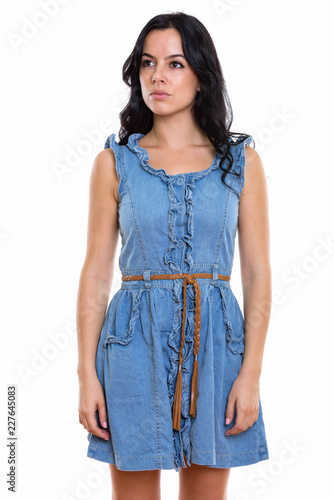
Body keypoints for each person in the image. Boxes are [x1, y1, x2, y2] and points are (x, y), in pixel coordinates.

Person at [76, 11, 271, 500]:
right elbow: (97, 276)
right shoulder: (114, 163)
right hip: (131, 346)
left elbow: (257, 273)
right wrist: (86, 376)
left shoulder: (239, 161)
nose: (157, 76)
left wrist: (251, 373)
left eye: (176, 63)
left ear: (202, 76)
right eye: (147, 63)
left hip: (216, 347)